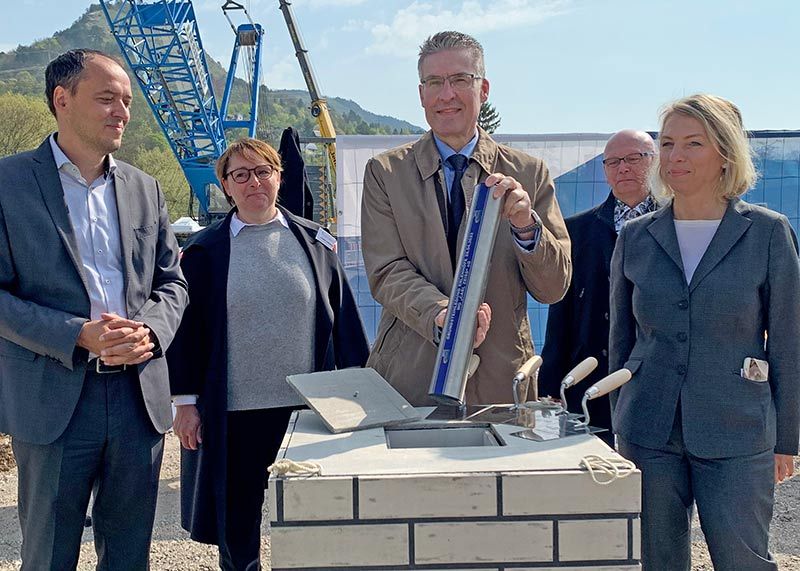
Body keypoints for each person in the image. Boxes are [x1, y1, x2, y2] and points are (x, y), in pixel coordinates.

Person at [0, 49, 188, 569]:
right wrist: (76, 333)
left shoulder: (144, 187)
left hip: (137, 399)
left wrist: (148, 332)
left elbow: (173, 283)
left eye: (126, 101)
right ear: (62, 100)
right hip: (54, 398)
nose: (121, 111)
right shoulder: (7, 183)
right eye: (106, 98)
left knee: (129, 556)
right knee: (49, 554)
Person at [609, 94, 799, 570]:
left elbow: (791, 340)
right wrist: (618, 425)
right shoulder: (636, 236)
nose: (676, 155)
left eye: (693, 143)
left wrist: (788, 439)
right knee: (656, 562)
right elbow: (621, 341)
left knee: (744, 561)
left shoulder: (768, 233)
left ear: (726, 154)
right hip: (648, 430)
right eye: (668, 143)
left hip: (738, 432)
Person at [167, 137, 370, 571]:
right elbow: (186, 334)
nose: (253, 182)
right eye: (240, 175)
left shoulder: (315, 244)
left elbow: (346, 324)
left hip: (306, 412)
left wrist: (360, 395)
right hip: (236, 412)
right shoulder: (204, 253)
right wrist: (185, 403)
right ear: (226, 186)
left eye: (263, 171)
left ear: (279, 177)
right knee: (238, 526)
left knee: (310, 517)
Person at [361, 31, 571, 406]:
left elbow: (554, 287)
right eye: (434, 82)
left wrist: (527, 228)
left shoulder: (529, 173)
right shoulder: (385, 173)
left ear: (484, 88)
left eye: (460, 79)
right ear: (421, 93)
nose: (447, 95)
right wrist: (445, 313)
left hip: (501, 382)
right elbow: (386, 271)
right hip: (410, 379)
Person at [540, 130, 657, 443]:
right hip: (589, 381)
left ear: (655, 163)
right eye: (613, 162)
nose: (624, 168)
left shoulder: (676, 227)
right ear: (605, 172)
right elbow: (560, 313)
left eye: (634, 159)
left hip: (657, 384)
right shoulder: (577, 230)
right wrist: (550, 385)